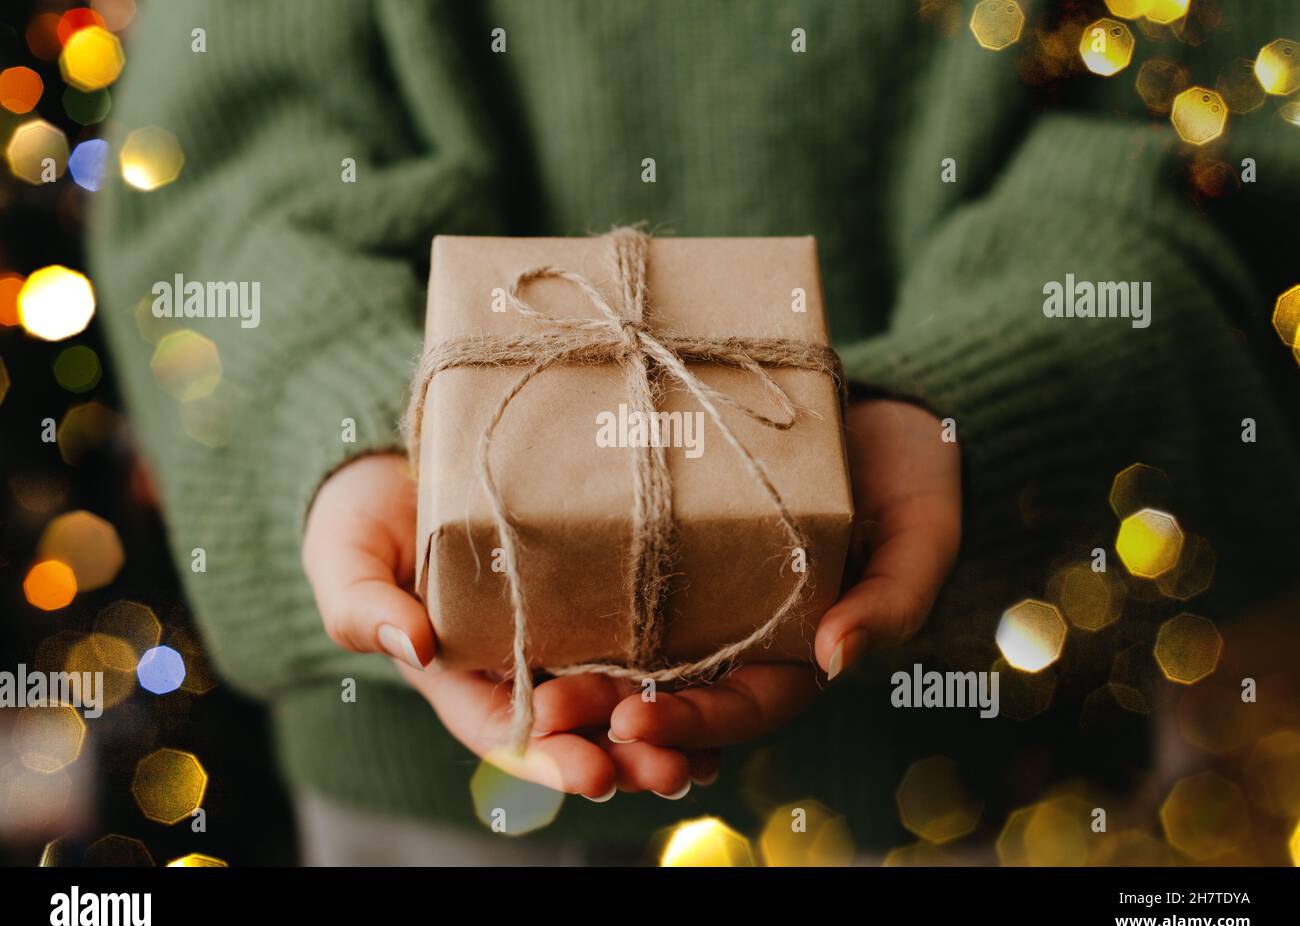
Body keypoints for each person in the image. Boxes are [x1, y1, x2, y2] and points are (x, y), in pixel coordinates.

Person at [92, 1, 1300, 864]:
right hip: (428, 814)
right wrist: (351, 417)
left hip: (993, 783)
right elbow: (218, 185)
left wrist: (975, 410)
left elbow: (1222, 146)